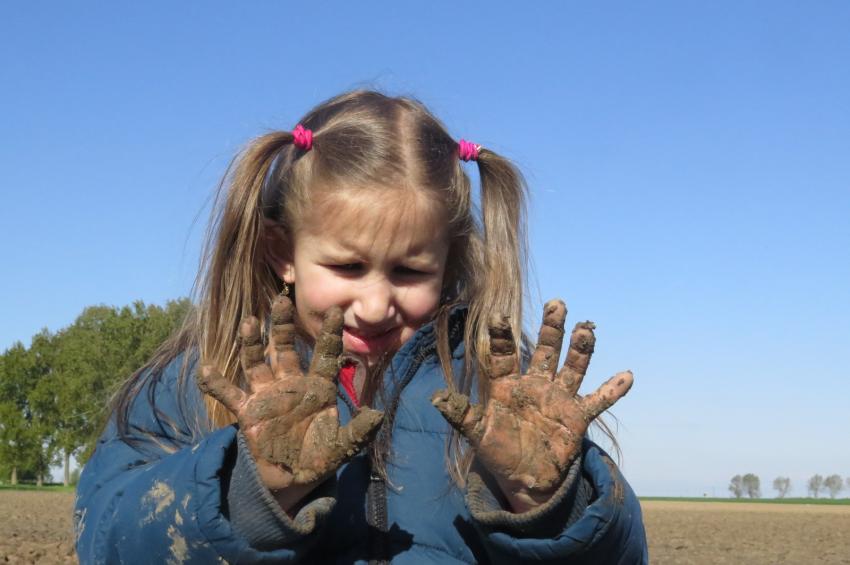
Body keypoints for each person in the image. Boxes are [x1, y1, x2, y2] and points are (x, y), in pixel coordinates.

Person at [74, 90, 648, 564]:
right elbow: (105, 538)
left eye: (409, 271)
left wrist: (549, 501)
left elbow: (624, 555)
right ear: (283, 253)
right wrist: (252, 490)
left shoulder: (498, 390)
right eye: (347, 266)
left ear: (449, 260)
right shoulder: (195, 382)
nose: (374, 305)